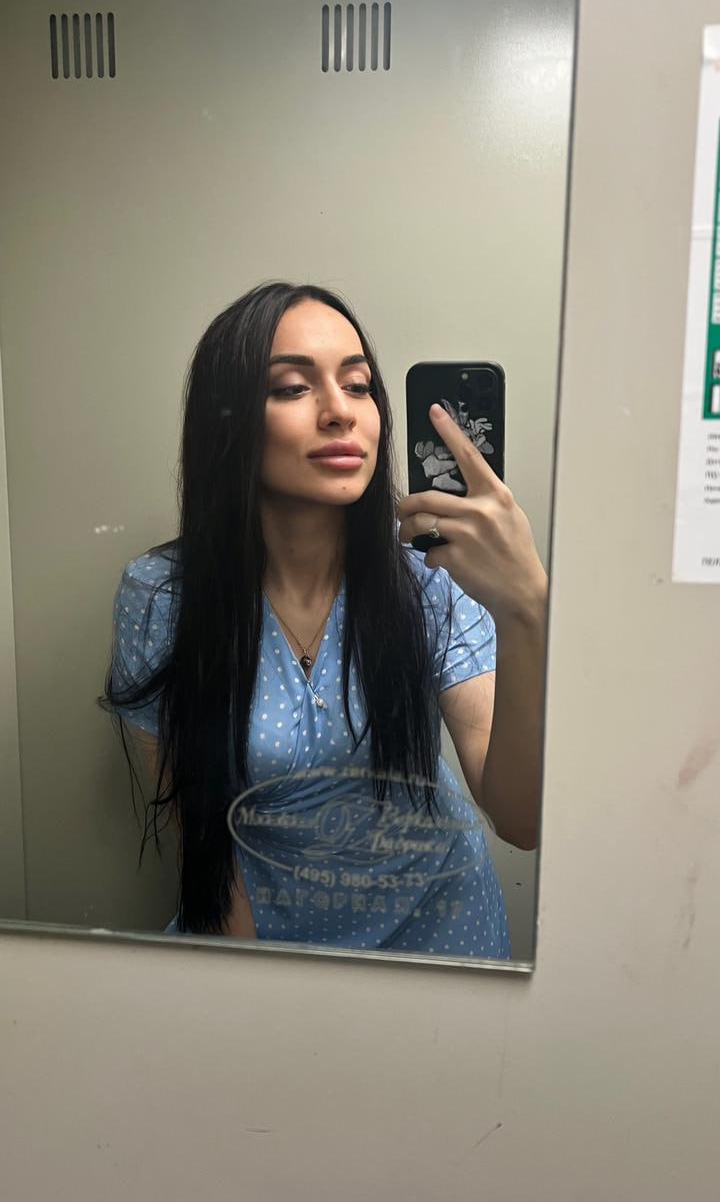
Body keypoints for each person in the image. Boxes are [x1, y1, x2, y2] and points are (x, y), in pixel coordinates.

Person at [101, 280, 547, 959]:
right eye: (292, 388)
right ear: (228, 420)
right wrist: (261, 990)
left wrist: (528, 612)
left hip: (443, 931)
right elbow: (201, 839)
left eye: (359, 385)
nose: (340, 412)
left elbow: (521, 819)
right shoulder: (163, 597)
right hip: (264, 943)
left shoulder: (428, 577)